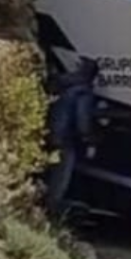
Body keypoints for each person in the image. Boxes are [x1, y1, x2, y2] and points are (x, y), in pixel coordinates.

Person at [44, 58, 99, 219]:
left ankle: (39, 204)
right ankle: (51, 213)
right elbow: (82, 122)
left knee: (48, 172)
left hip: (49, 136)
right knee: (60, 177)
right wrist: (91, 139)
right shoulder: (83, 92)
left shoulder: (64, 85)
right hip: (64, 140)